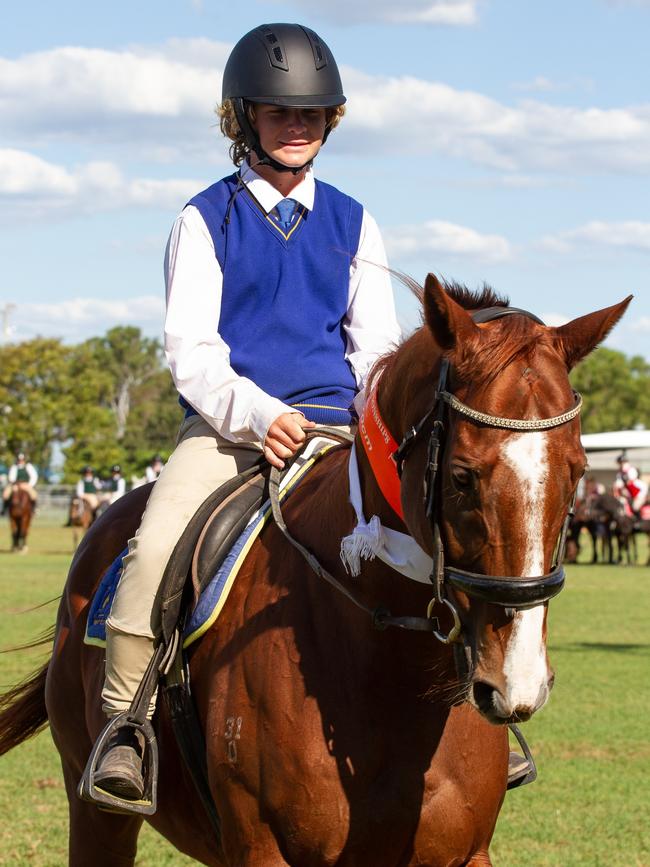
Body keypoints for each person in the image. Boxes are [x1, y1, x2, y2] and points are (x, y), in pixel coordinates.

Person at [92, 22, 401, 801]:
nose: (296, 127)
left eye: (310, 114)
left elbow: (379, 348)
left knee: (434, 534)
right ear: (243, 120)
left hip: (337, 433)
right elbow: (190, 349)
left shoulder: (356, 221)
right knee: (155, 548)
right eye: (277, 113)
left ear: (330, 120)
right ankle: (125, 722)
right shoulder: (204, 219)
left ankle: (469, 698)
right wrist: (261, 416)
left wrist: (360, 420)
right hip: (232, 433)